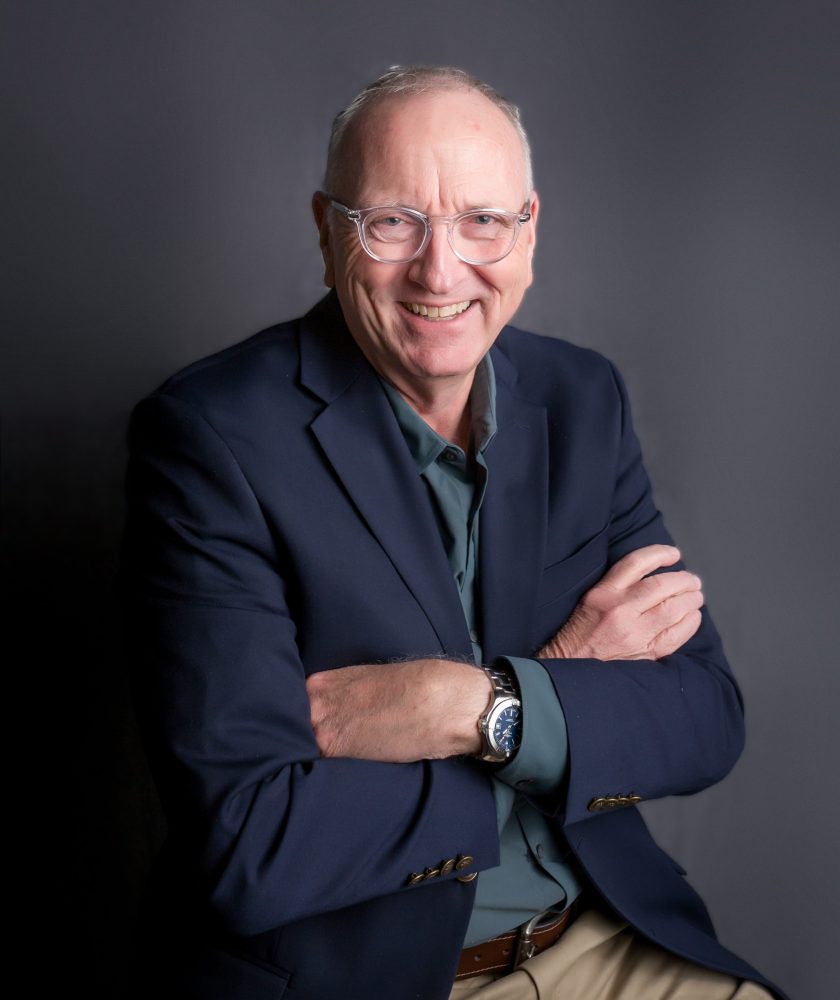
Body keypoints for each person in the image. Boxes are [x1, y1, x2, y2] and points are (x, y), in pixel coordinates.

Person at [121, 66, 783, 999]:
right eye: (394, 222)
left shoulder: (581, 398)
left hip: (599, 937)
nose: (442, 269)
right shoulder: (211, 439)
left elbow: (705, 719)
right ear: (327, 232)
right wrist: (562, 697)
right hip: (369, 975)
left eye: (483, 220)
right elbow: (256, 840)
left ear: (529, 232)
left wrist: (467, 704)